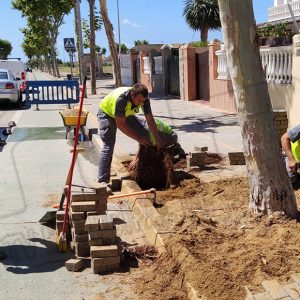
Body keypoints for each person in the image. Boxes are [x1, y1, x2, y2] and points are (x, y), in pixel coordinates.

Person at [97, 83, 164, 184]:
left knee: (144, 134)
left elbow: (150, 120)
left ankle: (138, 160)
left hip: (126, 114)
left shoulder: (143, 99)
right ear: (132, 95)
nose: (141, 104)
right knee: (109, 145)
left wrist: (158, 139)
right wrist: (138, 139)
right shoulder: (121, 100)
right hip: (107, 114)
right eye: (139, 101)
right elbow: (121, 125)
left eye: (143, 101)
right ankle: (102, 181)